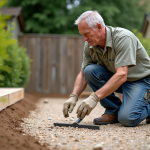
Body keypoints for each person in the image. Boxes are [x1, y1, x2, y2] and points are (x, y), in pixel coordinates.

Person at [63, 10, 150, 127]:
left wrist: (94, 97)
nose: (84, 39)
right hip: (121, 80)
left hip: (142, 81)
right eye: (82, 35)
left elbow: (122, 75)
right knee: (89, 71)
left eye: (86, 34)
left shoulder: (123, 38)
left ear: (99, 27)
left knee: (128, 119)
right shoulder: (90, 45)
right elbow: (83, 74)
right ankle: (113, 111)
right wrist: (73, 97)